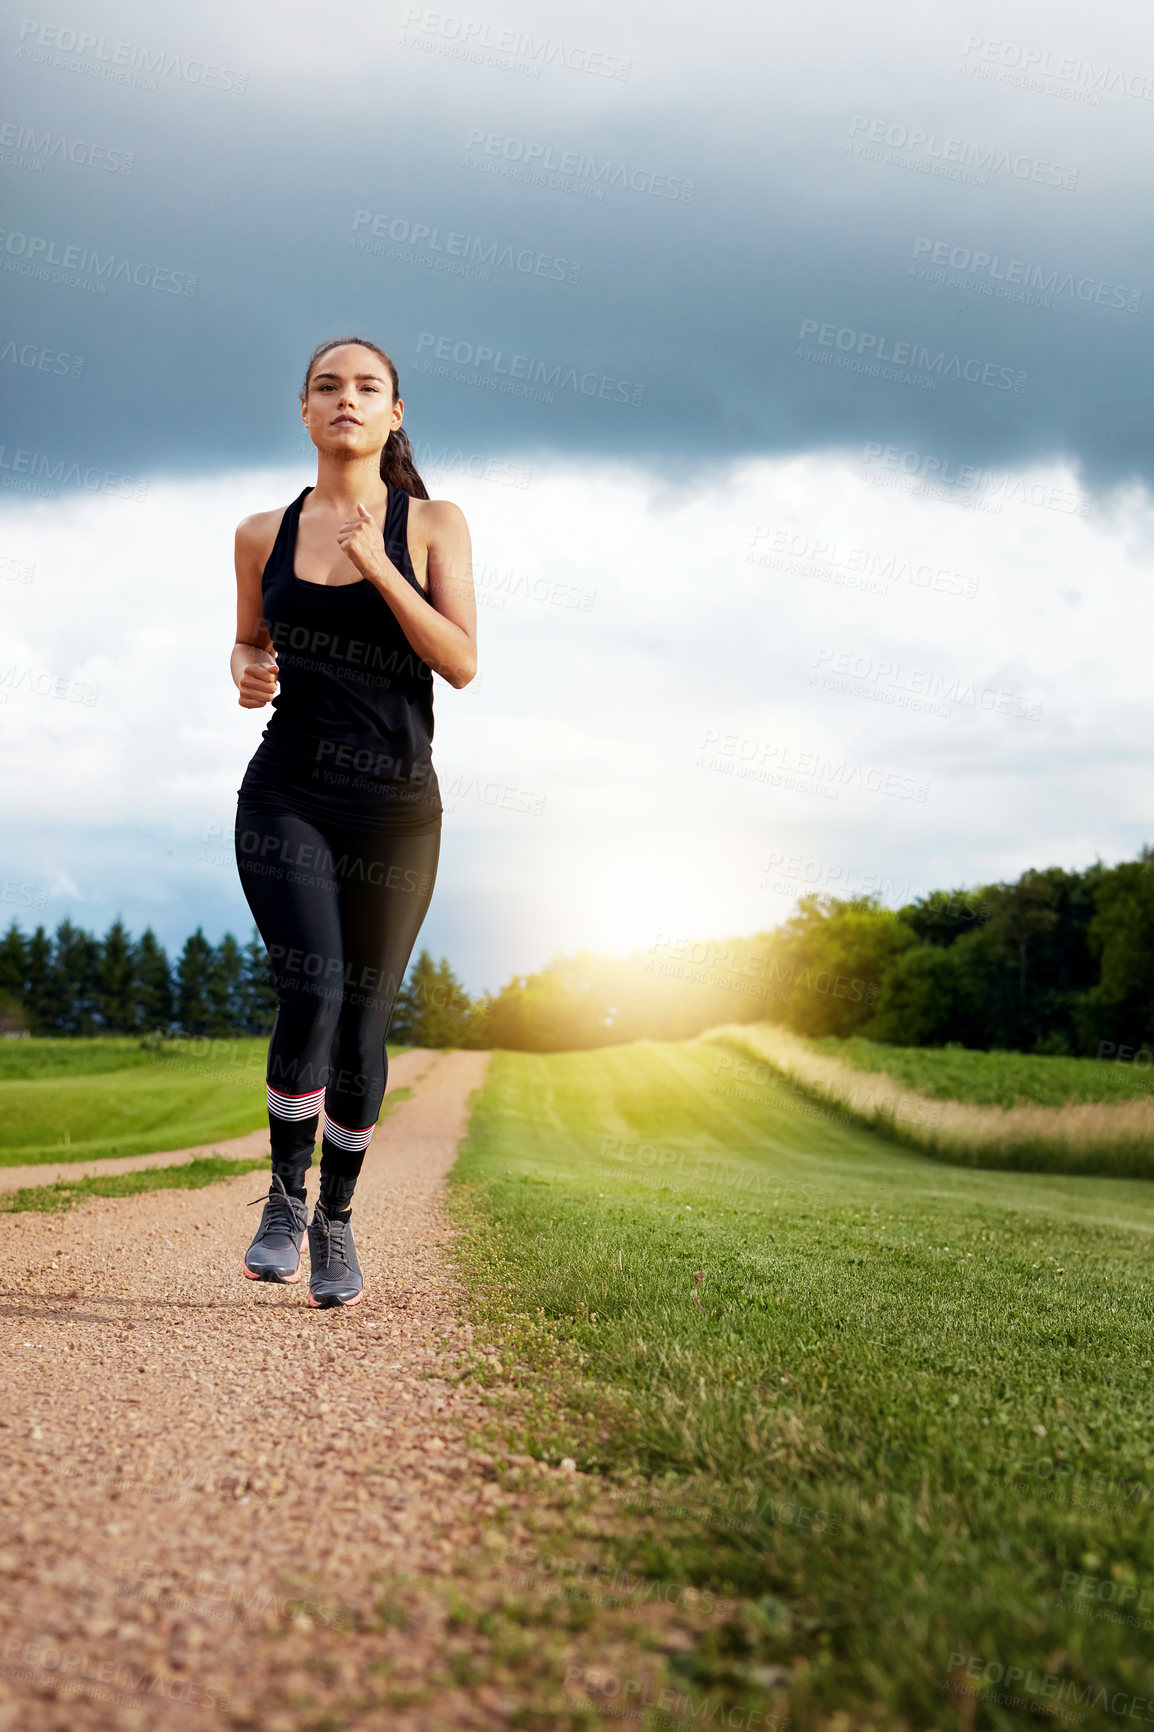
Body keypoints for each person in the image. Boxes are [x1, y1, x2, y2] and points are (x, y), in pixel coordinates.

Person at [230, 336, 477, 1307]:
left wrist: (379, 565)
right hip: (286, 793)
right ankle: (284, 1199)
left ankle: (335, 1219)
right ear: (303, 412)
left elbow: (458, 661)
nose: (346, 399)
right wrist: (244, 672)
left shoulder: (434, 525)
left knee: (366, 1017)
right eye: (327, 386)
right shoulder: (260, 532)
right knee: (314, 988)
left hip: (396, 810)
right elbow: (251, 652)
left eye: (365, 387)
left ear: (393, 413)